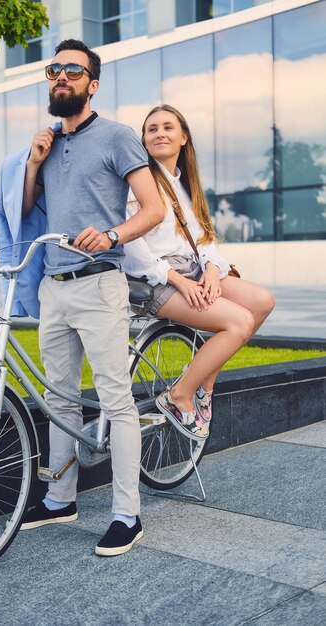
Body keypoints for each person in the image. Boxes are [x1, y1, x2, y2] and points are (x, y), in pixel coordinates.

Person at [0, 40, 164, 557]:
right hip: (54, 286)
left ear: (92, 83)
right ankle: (59, 498)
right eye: (54, 70)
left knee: (115, 399)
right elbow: (25, 210)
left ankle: (126, 515)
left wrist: (111, 235)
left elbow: (153, 208)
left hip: (99, 281)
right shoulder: (42, 145)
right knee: (59, 398)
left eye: (73, 70)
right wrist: (33, 163)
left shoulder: (115, 137)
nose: (61, 77)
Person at [124, 104, 275, 440]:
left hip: (192, 270)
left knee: (262, 302)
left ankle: (205, 382)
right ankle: (178, 395)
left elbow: (203, 238)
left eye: (168, 127)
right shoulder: (139, 180)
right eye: (152, 129)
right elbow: (131, 246)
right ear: (144, 140)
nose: (160, 133)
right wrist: (176, 279)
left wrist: (210, 269)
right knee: (239, 322)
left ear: (183, 136)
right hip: (157, 280)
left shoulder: (184, 183)